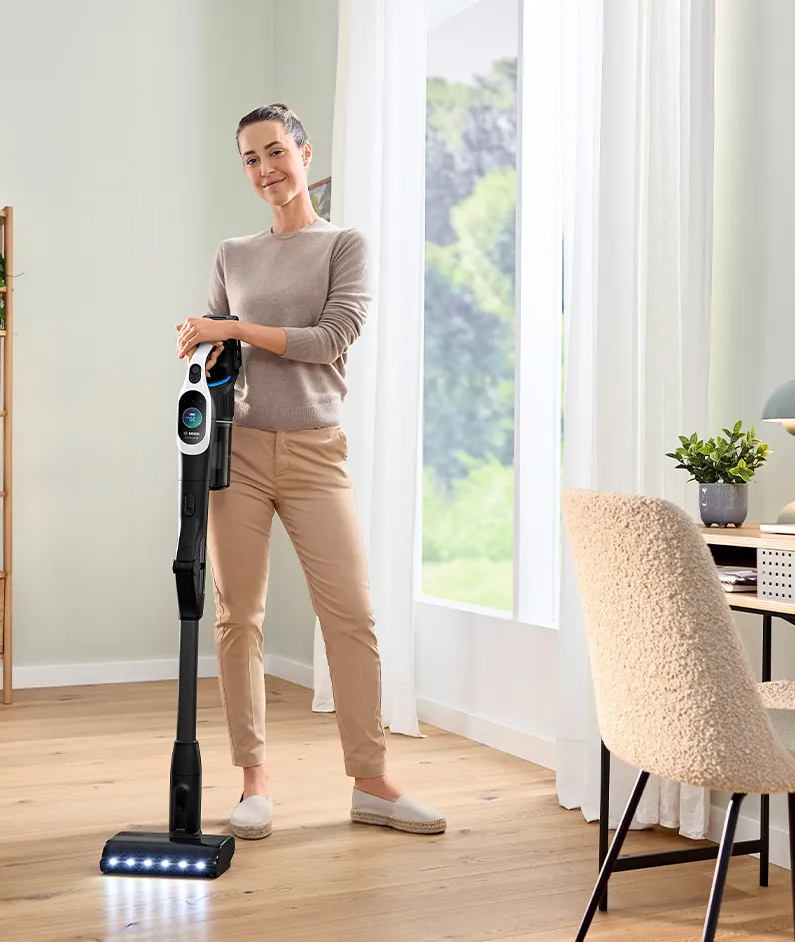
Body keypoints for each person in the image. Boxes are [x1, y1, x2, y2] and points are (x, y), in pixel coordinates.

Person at [171, 103, 445, 841]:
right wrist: (205, 343)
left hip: (317, 451)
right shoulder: (233, 253)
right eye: (250, 160)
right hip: (237, 452)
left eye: (274, 152)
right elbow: (217, 349)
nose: (265, 169)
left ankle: (372, 782)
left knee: (350, 615)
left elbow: (331, 339)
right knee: (238, 616)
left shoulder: (343, 245)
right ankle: (254, 782)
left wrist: (233, 327)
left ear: (302, 151)